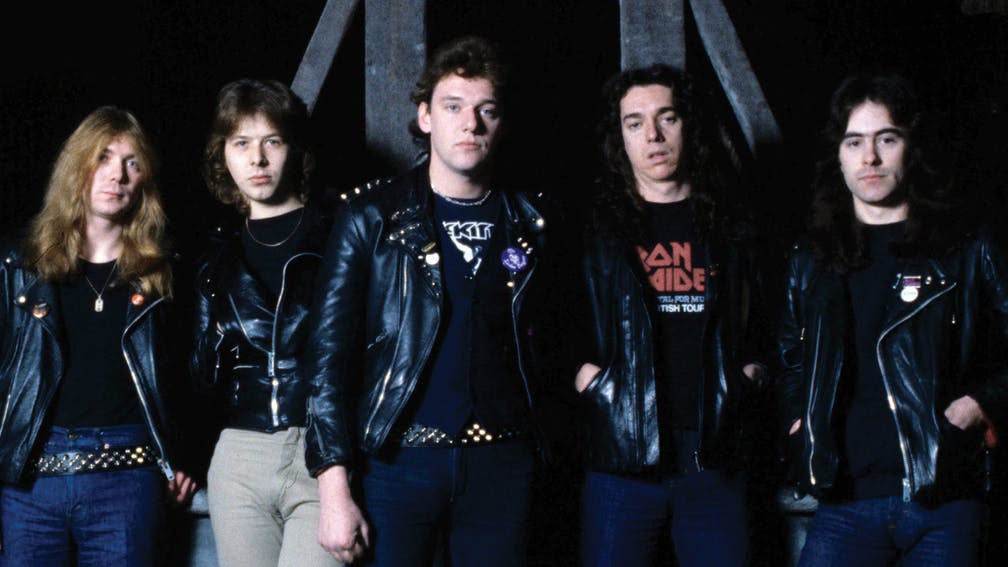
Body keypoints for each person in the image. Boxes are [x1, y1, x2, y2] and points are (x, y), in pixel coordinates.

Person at [303, 35, 550, 566]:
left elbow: (555, 344)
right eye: (453, 107)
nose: (471, 124)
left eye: (486, 110)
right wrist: (333, 488)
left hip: (504, 464)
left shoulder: (532, 221)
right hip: (397, 463)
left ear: (501, 123)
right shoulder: (371, 216)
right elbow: (326, 361)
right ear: (425, 117)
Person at [777, 71, 1008, 566]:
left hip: (944, 499)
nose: (870, 158)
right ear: (838, 155)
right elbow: (790, 356)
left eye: (886, 139)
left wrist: (980, 403)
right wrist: (800, 422)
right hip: (843, 501)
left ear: (911, 146)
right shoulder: (812, 258)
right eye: (854, 142)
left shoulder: (965, 248)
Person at [573, 63, 769, 566]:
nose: (653, 135)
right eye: (634, 122)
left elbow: (772, 320)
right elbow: (552, 322)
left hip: (715, 454)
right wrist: (586, 379)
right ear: (620, 137)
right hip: (622, 457)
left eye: (668, 117)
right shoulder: (595, 231)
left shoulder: (735, 228)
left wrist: (752, 373)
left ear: (688, 126)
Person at [0, 106, 196, 566]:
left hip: (127, 475)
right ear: (77, 168)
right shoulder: (19, 266)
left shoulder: (165, 274)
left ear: (145, 179)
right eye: (103, 157)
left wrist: (186, 453)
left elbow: (190, 376)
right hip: (30, 478)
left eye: (132, 162)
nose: (117, 175)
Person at [188, 78, 339, 567]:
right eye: (241, 143)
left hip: (322, 452)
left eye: (272, 141)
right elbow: (199, 377)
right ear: (223, 155)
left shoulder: (341, 235)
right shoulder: (214, 259)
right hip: (239, 454)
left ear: (295, 149)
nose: (257, 159)